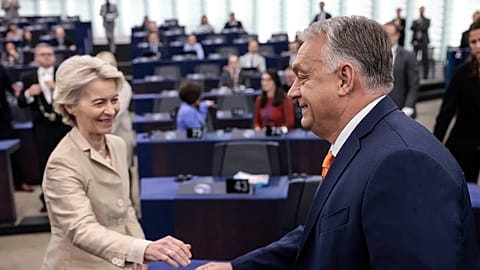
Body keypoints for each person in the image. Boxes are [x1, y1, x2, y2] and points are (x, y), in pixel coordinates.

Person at [196, 16, 480, 270]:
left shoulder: (405, 163)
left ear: (344, 79)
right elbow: (325, 232)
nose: (293, 92)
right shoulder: (366, 144)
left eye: (303, 77)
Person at [41, 55, 192, 269]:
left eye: (114, 99)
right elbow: (81, 228)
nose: (111, 110)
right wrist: (142, 249)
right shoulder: (62, 164)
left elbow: (126, 207)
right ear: (70, 107)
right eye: (99, 103)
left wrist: (139, 249)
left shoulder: (117, 145)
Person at [17, 43, 71, 211]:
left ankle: (70, 198)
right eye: (43, 54)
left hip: (64, 126)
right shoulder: (28, 77)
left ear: (54, 57)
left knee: (68, 162)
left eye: (49, 54)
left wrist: (58, 89)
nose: (47, 57)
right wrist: (28, 93)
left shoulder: (63, 76)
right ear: (36, 58)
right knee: (45, 163)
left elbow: (74, 98)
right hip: (41, 128)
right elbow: (20, 103)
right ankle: (47, 200)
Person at [434, 19, 480, 184]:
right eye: (473, 42)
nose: (477, 46)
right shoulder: (461, 74)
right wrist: (434, 144)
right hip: (463, 144)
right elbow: (446, 112)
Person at [95, 50, 140, 217]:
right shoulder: (96, 86)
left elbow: (115, 112)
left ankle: (129, 205)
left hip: (120, 134)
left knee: (124, 169)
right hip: (102, 136)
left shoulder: (123, 85)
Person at [0, 63, 33, 192]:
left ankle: (18, 181)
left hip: (3, 118)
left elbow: (11, 88)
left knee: (12, 152)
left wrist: (20, 92)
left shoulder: (1, 68)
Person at [384, 22, 419, 118]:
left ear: (397, 35)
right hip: (382, 109)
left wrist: (409, 106)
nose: (386, 38)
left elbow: (414, 84)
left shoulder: (408, 55)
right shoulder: (376, 55)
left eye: (389, 35)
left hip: (401, 108)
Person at [411, 6, 430, 79]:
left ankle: (425, 76)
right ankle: (413, 74)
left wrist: (417, 24)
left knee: (425, 59)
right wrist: (418, 24)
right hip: (416, 41)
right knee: (414, 59)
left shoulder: (427, 20)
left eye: (422, 10)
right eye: (420, 10)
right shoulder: (415, 20)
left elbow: (424, 28)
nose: (421, 11)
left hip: (424, 42)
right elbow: (411, 28)